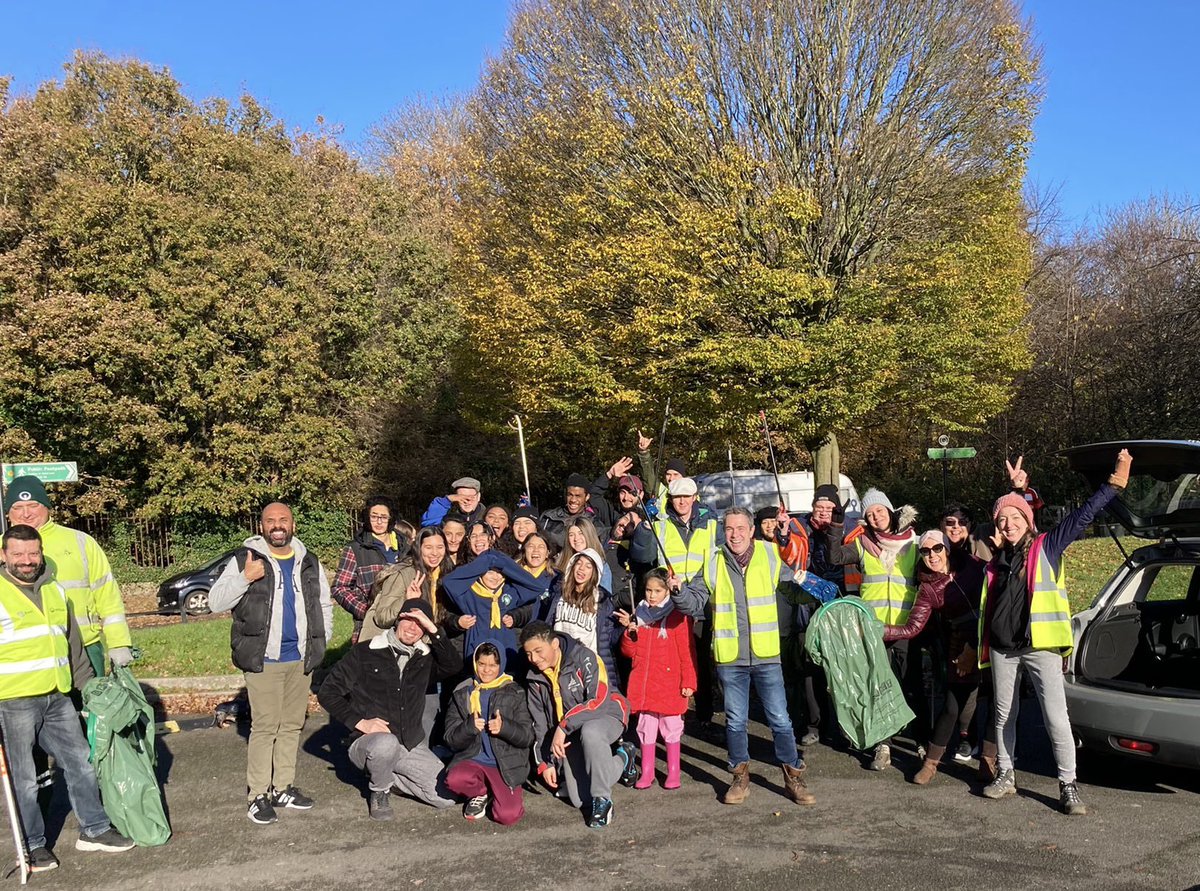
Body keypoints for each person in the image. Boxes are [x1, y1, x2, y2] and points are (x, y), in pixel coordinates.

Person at [978, 450, 1132, 816]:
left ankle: (1068, 785)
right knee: (1004, 715)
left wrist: (1114, 483)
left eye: (1015, 517)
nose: (1009, 523)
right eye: (1003, 519)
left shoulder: (1048, 545)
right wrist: (1015, 491)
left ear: (1028, 521)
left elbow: (1085, 515)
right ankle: (1006, 774)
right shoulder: (996, 558)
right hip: (1002, 648)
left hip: (1041, 646)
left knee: (1055, 717)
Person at [0, 525, 134, 872]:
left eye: (33, 554)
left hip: (57, 697)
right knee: (25, 779)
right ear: (4, 555)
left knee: (81, 763)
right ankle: (32, 845)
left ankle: (95, 829)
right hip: (12, 702)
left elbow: (72, 647)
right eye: (18, 554)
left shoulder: (55, 590)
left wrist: (88, 689)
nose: (27, 561)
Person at [671, 507, 819, 806]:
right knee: (736, 722)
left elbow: (794, 590)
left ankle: (793, 777)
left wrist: (816, 590)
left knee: (780, 719)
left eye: (740, 528)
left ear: (752, 530)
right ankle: (739, 776)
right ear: (723, 531)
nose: (735, 534)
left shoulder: (769, 554)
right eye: (729, 528)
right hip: (731, 657)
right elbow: (692, 602)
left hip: (766, 654)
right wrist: (677, 591)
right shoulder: (713, 562)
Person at [208, 502, 333, 825]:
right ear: (261, 526)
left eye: (283, 520)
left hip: (300, 658)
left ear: (293, 524)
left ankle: (282, 788)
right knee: (265, 728)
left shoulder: (309, 560)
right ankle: (258, 795)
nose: (277, 525)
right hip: (264, 658)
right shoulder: (245, 558)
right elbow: (215, 601)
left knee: (292, 725)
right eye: (270, 521)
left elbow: (322, 603)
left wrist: (322, 640)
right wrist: (245, 578)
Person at [317, 598, 461, 820]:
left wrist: (434, 629)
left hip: (409, 743)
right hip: (372, 742)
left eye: (420, 624)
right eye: (409, 620)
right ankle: (379, 790)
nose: (413, 628)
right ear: (397, 620)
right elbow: (328, 692)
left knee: (446, 797)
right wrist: (361, 723)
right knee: (385, 744)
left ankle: (389, 776)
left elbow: (454, 665)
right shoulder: (365, 652)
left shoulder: (424, 659)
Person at [824, 487, 922, 771]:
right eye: (870, 514)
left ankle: (920, 739)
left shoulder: (914, 543)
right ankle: (884, 745)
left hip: (907, 629)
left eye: (879, 510)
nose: (876, 516)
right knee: (880, 688)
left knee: (911, 686)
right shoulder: (863, 544)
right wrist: (837, 524)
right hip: (874, 629)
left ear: (890, 511)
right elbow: (834, 557)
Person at [883, 529, 992, 785]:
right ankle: (931, 763)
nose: (931, 555)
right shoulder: (928, 588)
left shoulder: (972, 566)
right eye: (925, 551)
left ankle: (989, 760)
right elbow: (912, 627)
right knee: (952, 706)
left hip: (989, 637)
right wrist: (879, 630)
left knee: (998, 703)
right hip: (959, 645)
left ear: (946, 549)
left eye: (937, 549)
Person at [3, 475, 132, 676]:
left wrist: (119, 643)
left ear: (47, 507)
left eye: (33, 505)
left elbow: (107, 595)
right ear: (8, 513)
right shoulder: (2, 549)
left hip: (84, 648)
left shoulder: (80, 542)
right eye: (18, 507)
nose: (26, 514)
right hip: (25, 656)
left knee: (91, 707)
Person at [520, 622, 638, 829]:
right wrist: (544, 762)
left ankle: (603, 800)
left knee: (591, 732)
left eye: (539, 651)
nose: (534, 659)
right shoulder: (534, 678)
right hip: (570, 730)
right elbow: (538, 723)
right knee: (579, 800)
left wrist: (563, 727)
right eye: (528, 654)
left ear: (554, 643)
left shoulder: (584, 657)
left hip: (607, 714)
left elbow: (598, 701)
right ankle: (624, 756)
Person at [629, 476, 720, 734]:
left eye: (686, 496)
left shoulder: (711, 523)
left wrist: (700, 590)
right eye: (676, 497)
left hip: (700, 599)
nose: (681, 501)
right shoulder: (661, 523)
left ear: (694, 498)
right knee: (667, 657)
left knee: (698, 657)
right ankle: (668, 709)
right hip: (667, 601)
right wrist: (646, 527)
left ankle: (703, 713)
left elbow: (715, 558)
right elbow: (642, 555)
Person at [615, 569, 697, 790]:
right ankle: (648, 770)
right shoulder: (639, 614)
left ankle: (673, 771)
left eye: (658, 590)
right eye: (649, 590)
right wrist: (630, 632)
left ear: (667, 590)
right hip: (645, 681)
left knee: (671, 726)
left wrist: (689, 681)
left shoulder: (678, 616)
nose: (651, 595)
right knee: (646, 727)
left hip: (669, 681)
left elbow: (686, 650)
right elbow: (628, 652)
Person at [443, 641, 535, 824]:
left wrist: (505, 728)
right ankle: (480, 792)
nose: (486, 670)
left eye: (493, 665)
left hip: (504, 764)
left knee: (507, 816)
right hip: (474, 758)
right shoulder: (462, 693)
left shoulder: (515, 691)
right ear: (475, 663)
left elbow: (527, 736)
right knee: (453, 779)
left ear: (501, 666)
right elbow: (450, 738)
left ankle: (499, 791)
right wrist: (468, 728)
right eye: (482, 664)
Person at [442, 550, 550, 663]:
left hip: (507, 650)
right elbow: (448, 582)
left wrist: (504, 564)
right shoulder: (469, 593)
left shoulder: (509, 590)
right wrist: (486, 562)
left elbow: (537, 588)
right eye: (490, 572)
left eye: (500, 573)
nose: (496, 577)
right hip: (477, 650)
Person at [332, 495, 406, 644]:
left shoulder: (404, 546)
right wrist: (365, 610)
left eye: (383, 517)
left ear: (391, 519)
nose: (379, 522)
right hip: (370, 626)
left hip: (401, 623)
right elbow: (340, 588)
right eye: (374, 516)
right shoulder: (356, 548)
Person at [549, 547, 620, 685]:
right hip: (561, 662)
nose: (582, 569)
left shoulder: (602, 600)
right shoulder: (559, 594)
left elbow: (609, 639)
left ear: (595, 573)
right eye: (579, 563)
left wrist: (625, 627)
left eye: (588, 566)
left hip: (588, 665)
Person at [540, 472, 613, 546]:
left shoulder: (593, 523)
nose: (573, 500)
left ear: (587, 497)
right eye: (570, 495)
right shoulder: (548, 518)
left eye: (578, 496)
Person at [420, 476, 486, 528]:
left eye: (471, 497)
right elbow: (429, 524)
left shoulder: (488, 517)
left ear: (478, 496)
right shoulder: (447, 517)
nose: (467, 501)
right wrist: (447, 500)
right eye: (462, 497)